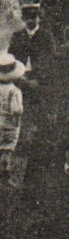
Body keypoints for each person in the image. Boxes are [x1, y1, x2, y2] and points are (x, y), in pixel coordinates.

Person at [0, 53, 25, 197]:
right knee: (7, 148)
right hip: (9, 123)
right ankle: (4, 174)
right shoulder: (14, 90)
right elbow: (16, 109)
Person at [9, 3, 57, 71]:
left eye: (33, 17)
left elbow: (51, 57)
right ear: (23, 19)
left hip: (41, 74)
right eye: (26, 17)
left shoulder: (46, 36)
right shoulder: (17, 36)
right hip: (20, 73)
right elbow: (11, 56)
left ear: (39, 18)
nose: (29, 20)